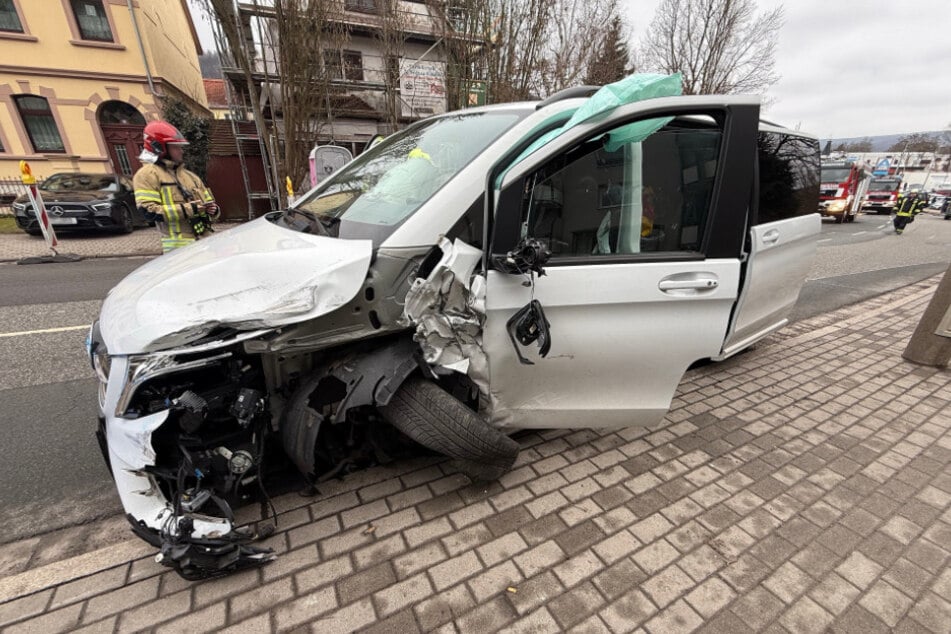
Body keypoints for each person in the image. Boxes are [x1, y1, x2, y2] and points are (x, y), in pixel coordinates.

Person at [133, 121, 219, 253]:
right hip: (178, 251)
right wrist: (191, 209)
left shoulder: (190, 176)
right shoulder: (147, 175)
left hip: (204, 243)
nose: (181, 151)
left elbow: (209, 203)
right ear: (159, 148)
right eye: (175, 147)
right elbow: (148, 212)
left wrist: (213, 211)